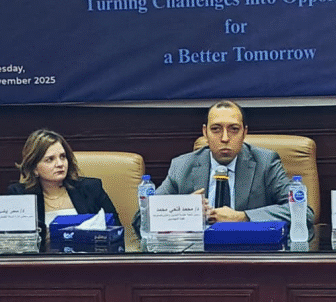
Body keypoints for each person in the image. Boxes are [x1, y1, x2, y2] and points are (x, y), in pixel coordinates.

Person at [132, 100, 314, 235]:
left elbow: (303, 213)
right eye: (216, 129)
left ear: (244, 133)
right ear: (205, 132)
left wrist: (243, 217)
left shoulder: (265, 163)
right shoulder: (182, 166)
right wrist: (185, 210)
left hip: (251, 255)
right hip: (198, 259)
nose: (225, 138)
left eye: (234, 129)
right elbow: (141, 219)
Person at [8, 129, 120, 234]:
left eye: (62, 157)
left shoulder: (91, 188)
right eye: (50, 159)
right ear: (34, 169)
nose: (60, 164)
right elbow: (15, 239)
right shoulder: (20, 195)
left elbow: (116, 229)